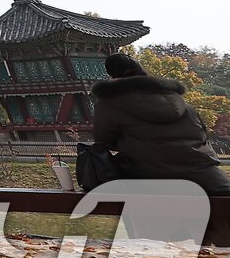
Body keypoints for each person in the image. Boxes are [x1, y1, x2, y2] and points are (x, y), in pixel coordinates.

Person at [92, 53, 230, 195]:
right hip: (205, 176)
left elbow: (104, 141)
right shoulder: (179, 100)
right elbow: (201, 134)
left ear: (112, 76)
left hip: (147, 175)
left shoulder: (109, 103)